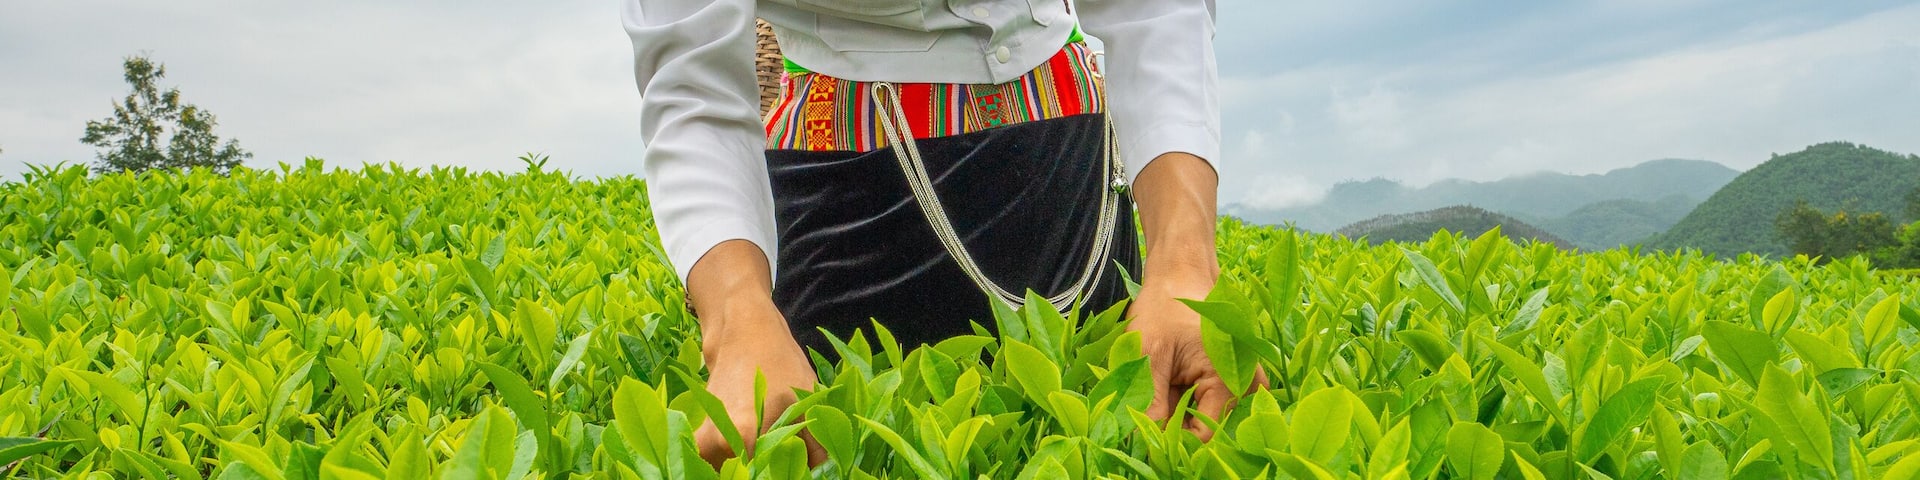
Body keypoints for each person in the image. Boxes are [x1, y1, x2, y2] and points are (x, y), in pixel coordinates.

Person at [620, 0, 1265, 466]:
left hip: (1071, 178)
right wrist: (738, 323)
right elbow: (691, 76)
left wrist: (1183, 270)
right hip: (852, 198)